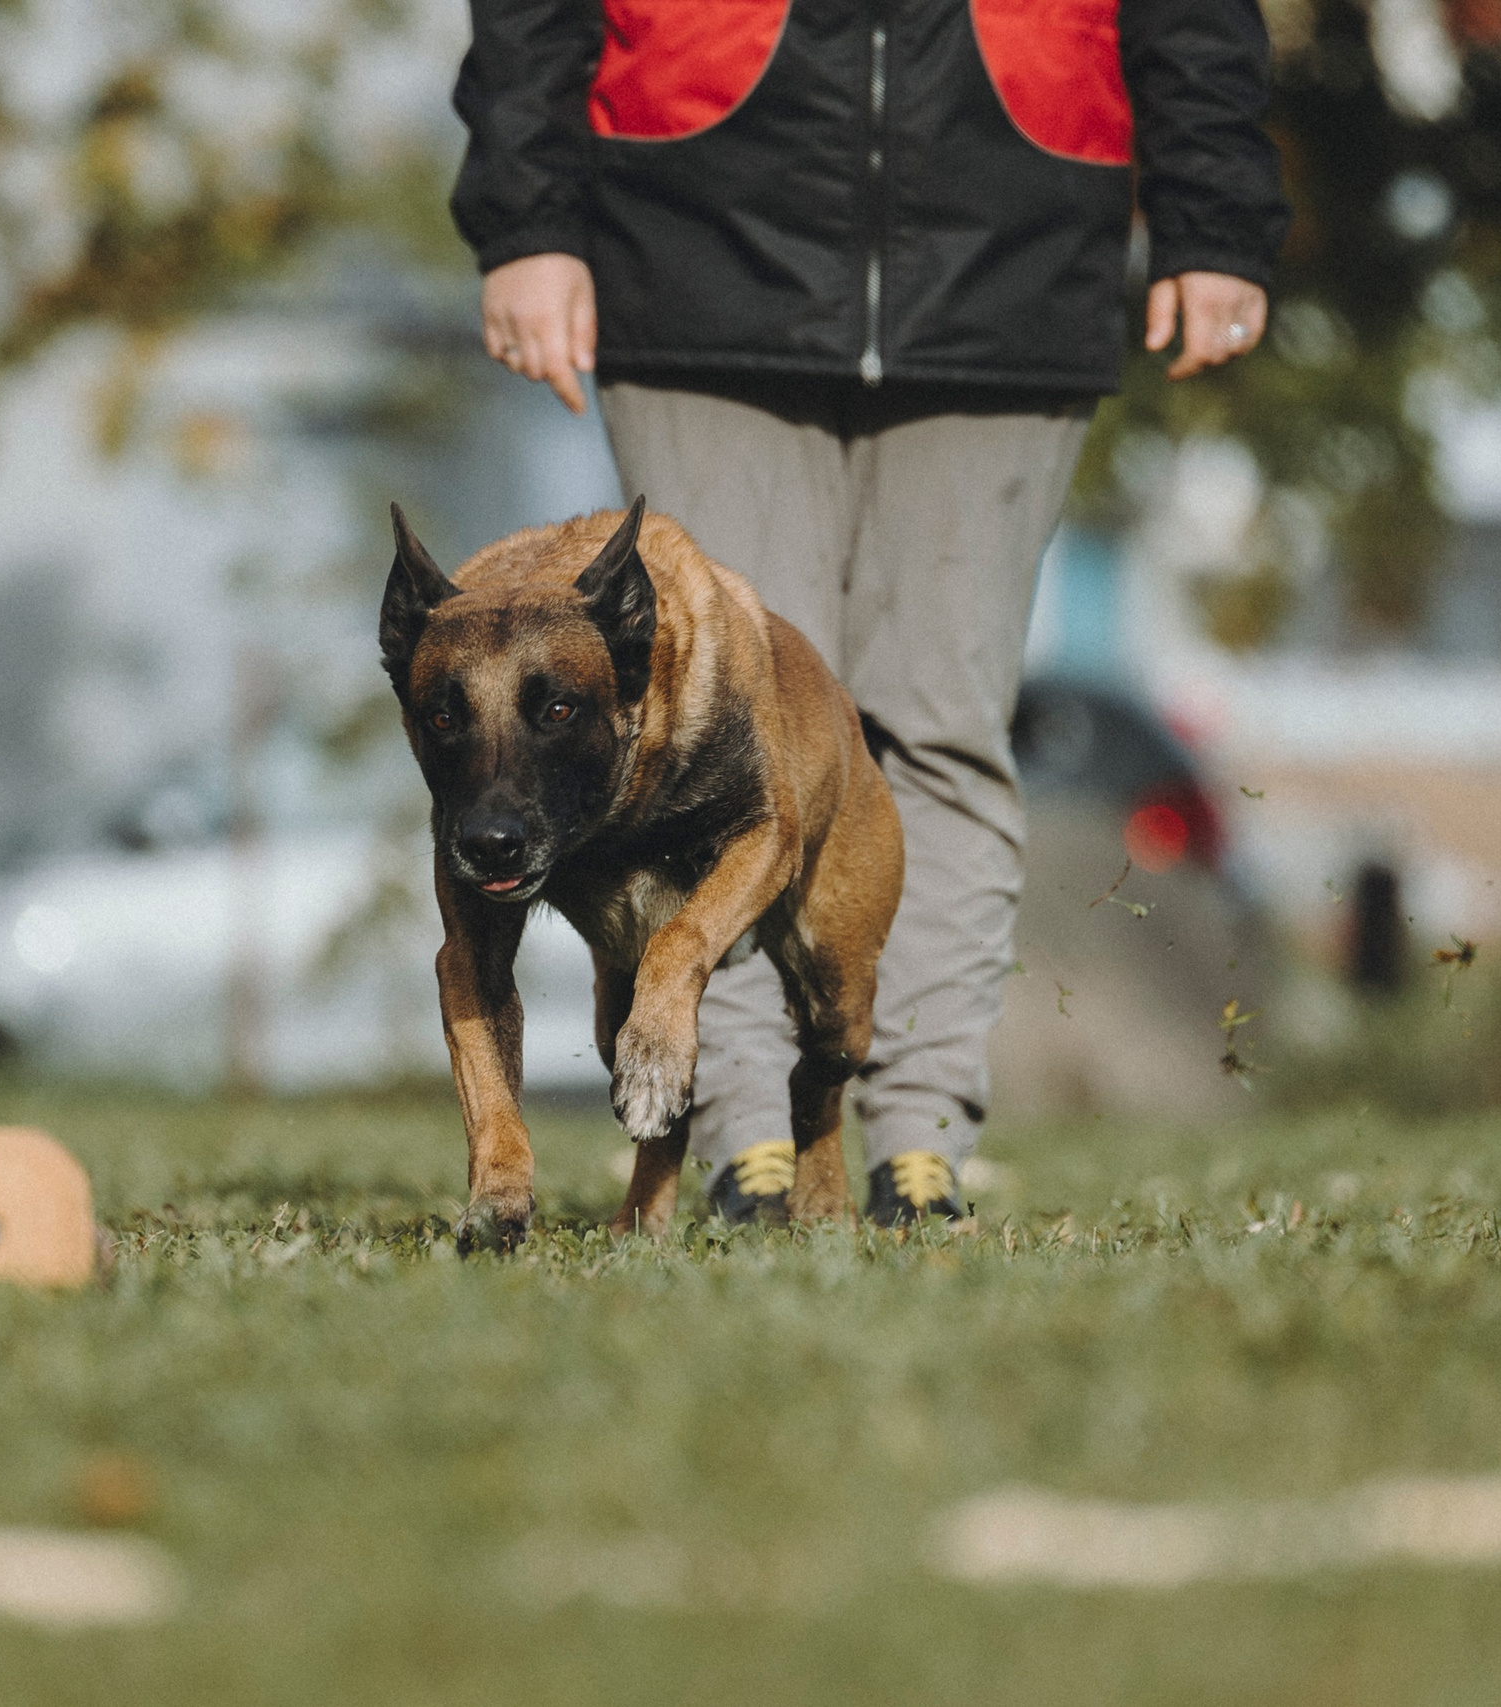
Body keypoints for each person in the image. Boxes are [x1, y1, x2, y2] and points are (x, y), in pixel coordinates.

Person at [448, 0, 1288, 1224]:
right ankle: (743, 1142)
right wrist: (525, 219)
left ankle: (919, 1144)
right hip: (696, 246)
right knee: (714, 741)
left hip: (1011, 250)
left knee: (940, 729)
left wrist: (1213, 215)